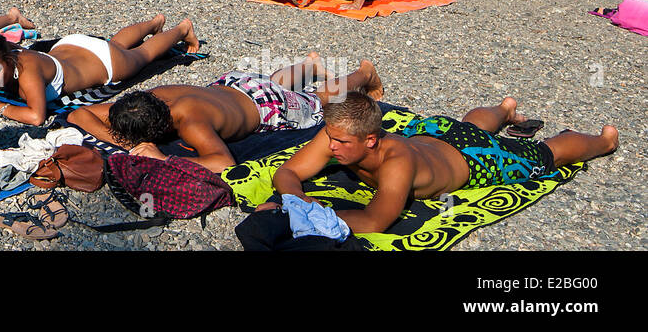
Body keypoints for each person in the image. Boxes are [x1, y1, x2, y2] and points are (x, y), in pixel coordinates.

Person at [261, 91, 617, 234]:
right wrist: (296, 199)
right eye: (331, 138)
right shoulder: (339, 133)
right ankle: (505, 109)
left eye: (340, 141)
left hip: (473, 157)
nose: (331, 146)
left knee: (546, 154)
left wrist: (302, 214)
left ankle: (604, 140)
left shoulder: (396, 161)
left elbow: (374, 220)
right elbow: (288, 171)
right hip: (432, 131)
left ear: (370, 139)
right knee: (469, 125)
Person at [69, 55, 384, 171]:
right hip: (234, 84)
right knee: (275, 82)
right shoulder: (147, 100)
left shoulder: (192, 123)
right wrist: (125, 143)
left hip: (266, 107)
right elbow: (79, 114)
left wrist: (164, 159)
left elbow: (222, 162)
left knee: (320, 98)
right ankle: (310, 65)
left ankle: (362, 75)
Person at [0, 14, 200, 126]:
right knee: (115, 42)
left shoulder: (27, 72)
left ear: (7, 60)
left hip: (105, 62)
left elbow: (36, 117)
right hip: (71, 45)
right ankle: (153, 22)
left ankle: (182, 29)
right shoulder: (4, 52)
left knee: (144, 54)